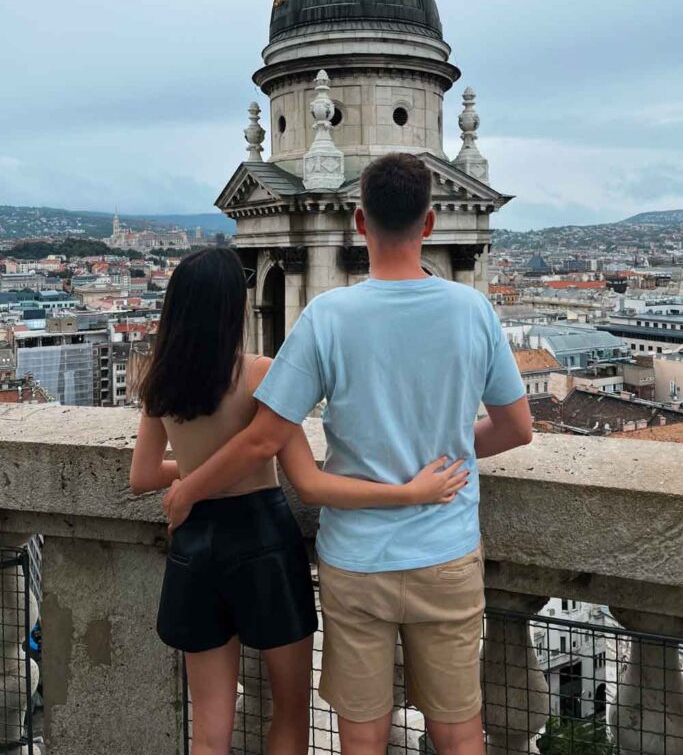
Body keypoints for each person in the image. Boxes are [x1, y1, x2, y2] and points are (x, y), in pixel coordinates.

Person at [164, 154, 533, 755]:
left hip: (357, 560)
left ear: (360, 223)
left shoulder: (326, 316)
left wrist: (188, 488)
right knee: (461, 732)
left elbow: (262, 439)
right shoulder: (474, 311)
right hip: (446, 551)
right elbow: (518, 428)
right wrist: (448, 451)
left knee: (361, 737)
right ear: (431, 223)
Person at [130, 246, 469, 755]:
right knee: (289, 713)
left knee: (209, 732)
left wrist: (196, 472)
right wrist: (410, 492)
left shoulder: (159, 383)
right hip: (262, 543)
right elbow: (306, 479)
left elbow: (143, 476)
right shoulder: (261, 374)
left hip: (195, 545)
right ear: (234, 309)